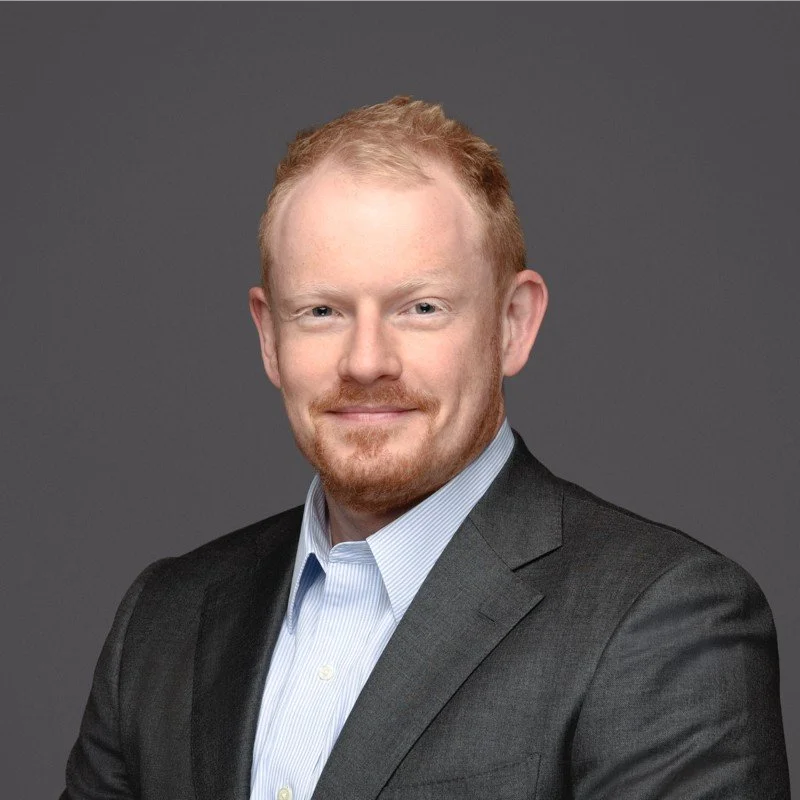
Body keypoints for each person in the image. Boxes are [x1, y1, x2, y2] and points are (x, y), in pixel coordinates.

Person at [61, 96, 790, 800]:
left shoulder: (662, 620)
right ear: (269, 338)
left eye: (421, 309)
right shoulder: (163, 619)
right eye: (322, 311)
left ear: (513, 324)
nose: (367, 360)